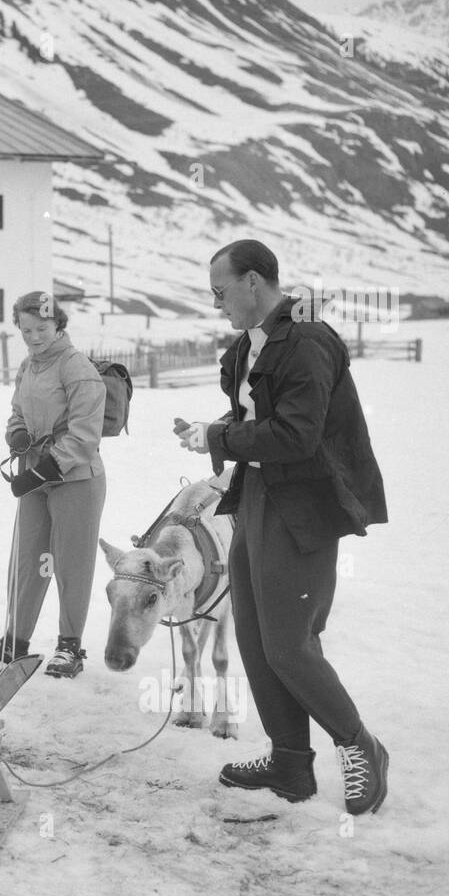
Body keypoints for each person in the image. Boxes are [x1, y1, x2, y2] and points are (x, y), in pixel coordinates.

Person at [174, 238, 389, 816]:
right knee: (255, 640)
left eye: (221, 291)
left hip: (305, 504)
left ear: (253, 282)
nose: (217, 303)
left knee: (290, 644)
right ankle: (290, 763)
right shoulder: (253, 342)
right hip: (259, 496)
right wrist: (215, 427)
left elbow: (297, 435)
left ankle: (359, 744)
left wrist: (218, 438)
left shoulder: (308, 341)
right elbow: (258, 417)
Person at [0, 292, 107, 678]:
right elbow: (17, 409)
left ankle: (69, 648)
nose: (33, 337)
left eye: (41, 329)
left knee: (70, 563)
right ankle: (15, 642)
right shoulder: (29, 366)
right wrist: (16, 434)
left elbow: (84, 435)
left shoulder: (76, 368)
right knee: (28, 559)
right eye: (26, 330)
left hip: (76, 479)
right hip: (35, 475)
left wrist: (47, 468)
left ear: (58, 325)